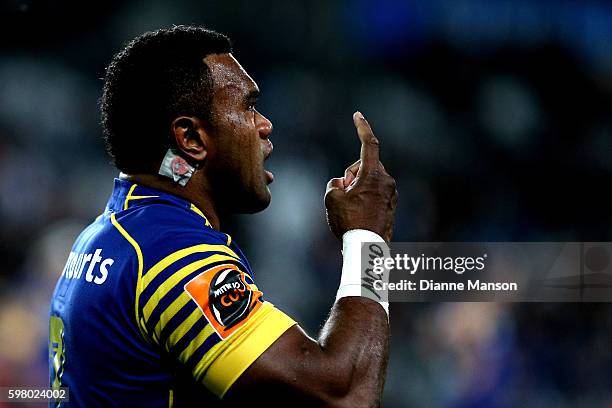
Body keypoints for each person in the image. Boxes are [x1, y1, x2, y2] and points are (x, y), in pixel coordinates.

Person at [49, 25, 397, 407]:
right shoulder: (171, 253)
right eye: (248, 106)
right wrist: (367, 238)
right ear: (191, 139)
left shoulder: (106, 236)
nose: (265, 125)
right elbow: (347, 395)